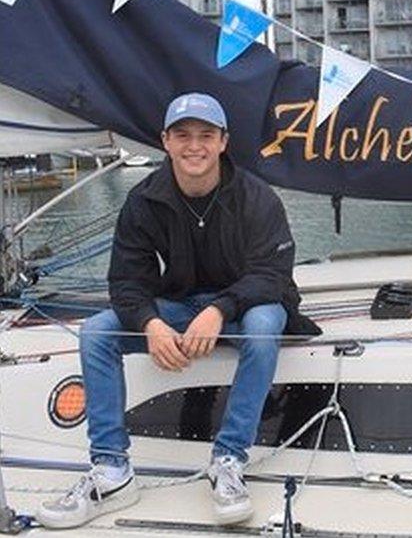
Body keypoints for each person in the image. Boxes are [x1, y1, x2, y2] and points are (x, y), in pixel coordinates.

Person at [37, 93, 321, 528]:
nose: (195, 146)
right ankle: (112, 469)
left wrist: (220, 309)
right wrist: (150, 323)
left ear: (224, 141)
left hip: (243, 309)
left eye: (206, 135)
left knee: (265, 323)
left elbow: (273, 274)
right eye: (183, 135)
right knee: (97, 332)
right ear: (165, 141)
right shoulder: (145, 201)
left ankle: (228, 460)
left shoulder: (256, 198)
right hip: (178, 307)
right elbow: (127, 282)